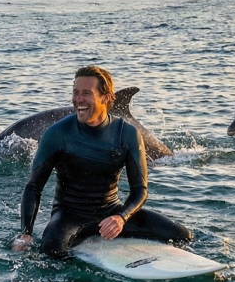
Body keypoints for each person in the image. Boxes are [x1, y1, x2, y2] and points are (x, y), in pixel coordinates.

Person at [13, 65, 191, 258]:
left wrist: (121, 218)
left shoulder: (128, 134)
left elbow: (140, 190)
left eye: (86, 93)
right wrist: (26, 233)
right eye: (75, 92)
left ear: (106, 98)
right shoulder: (57, 133)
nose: (78, 99)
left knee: (182, 236)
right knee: (50, 251)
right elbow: (33, 187)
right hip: (68, 216)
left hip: (111, 212)